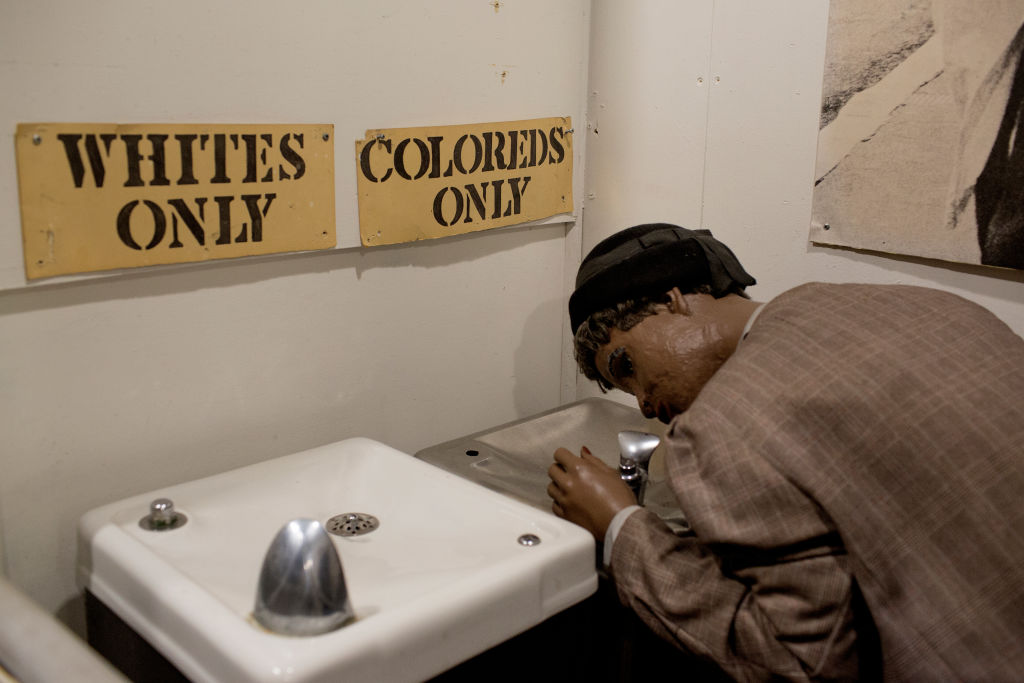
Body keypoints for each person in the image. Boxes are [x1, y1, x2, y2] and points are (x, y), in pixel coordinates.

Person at [547, 223, 1024, 681]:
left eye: (625, 365)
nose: (645, 404)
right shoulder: (930, 306)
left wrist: (619, 526)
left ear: (673, 300)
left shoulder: (723, 424)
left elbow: (801, 663)